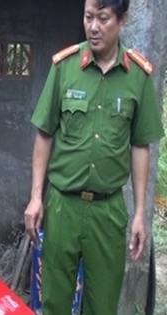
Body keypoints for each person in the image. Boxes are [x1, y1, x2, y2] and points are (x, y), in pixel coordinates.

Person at [24, 0, 164, 314]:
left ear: (122, 20)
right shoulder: (65, 67)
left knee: (102, 306)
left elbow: (141, 146)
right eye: (88, 17)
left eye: (103, 18)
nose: (93, 27)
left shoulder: (137, 77)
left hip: (108, 211)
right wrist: (36, 197)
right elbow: (44, 134)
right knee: (54, 303)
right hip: (63, 206)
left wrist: (140, 213)